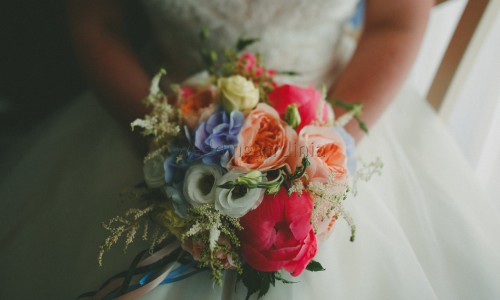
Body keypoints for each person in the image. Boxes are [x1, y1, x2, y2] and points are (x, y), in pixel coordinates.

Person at [1, 0, 499, 299]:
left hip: (335, 104)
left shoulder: (330, 134)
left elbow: (396, 22)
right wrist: (165, 146)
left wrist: (322, 149)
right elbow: (96, 21)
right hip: (153, 101)